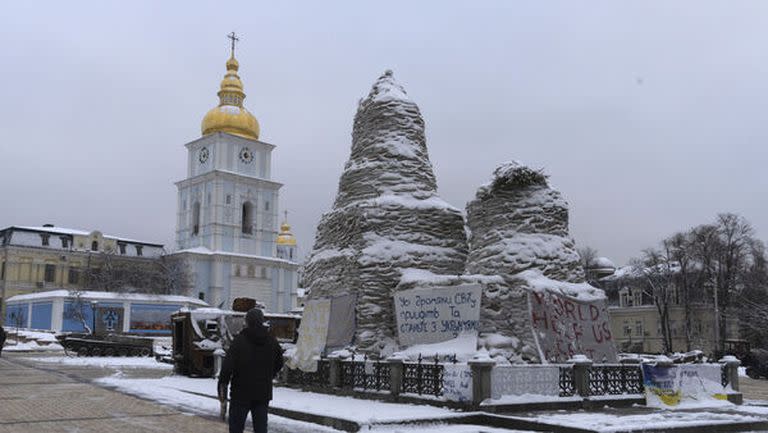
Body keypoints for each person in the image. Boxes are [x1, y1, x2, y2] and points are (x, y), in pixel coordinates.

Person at [218, 308, 284, 433]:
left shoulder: (239, 341)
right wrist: (268, 375)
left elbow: (227, 367)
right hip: (262, 393)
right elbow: (279, 363)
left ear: (247, 322)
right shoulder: (271, 341)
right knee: (260, 429)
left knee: (236, 428)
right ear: (262, 321)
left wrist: (222, 386)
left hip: (240, 393)